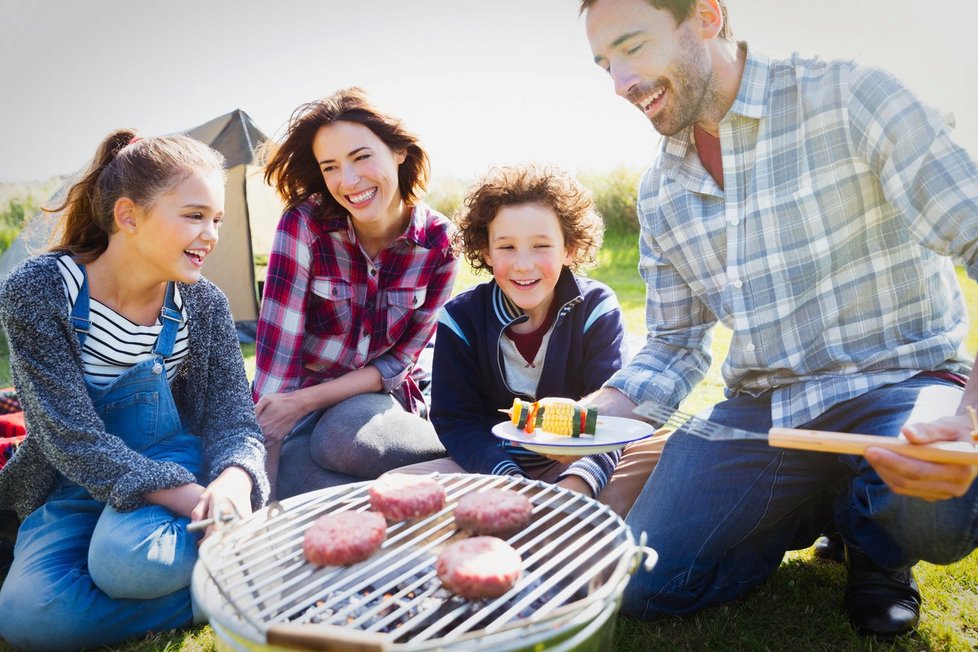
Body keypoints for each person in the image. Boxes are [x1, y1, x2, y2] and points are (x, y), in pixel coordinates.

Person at [580, 0, 978, 639]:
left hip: (902, 383)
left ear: (707, 16)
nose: (620, 83)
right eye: (604, 64)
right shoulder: (660, 192)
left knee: (940, 505)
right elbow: (675, 344)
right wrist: (587, 413)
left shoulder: (852, 94)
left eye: (632, 47)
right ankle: (831, 502)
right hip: (766, 414)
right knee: (645, 582)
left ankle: (877, 545)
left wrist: (969, 415)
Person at [0, 130, 269, 650]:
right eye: (194, 215)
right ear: (128, 216)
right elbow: (67, 437)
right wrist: (195, 502)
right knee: (25, 614)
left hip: (175, 461)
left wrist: (232, 484)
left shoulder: (203, 304)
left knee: (126, 565)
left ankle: (225, 558)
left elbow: (234, 421)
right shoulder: (40, 290)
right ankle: (227, 585)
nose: (211, 234)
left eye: (217, 219)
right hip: (76, 480)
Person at [391, 164, 663, 515]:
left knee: (665, 449)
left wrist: (576, 485)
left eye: (541, 245)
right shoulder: (461, 318)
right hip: (494, 468)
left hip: (582, 464)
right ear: (486, 252)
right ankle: (536, 517)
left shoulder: (596, 307)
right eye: (506, 247)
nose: (523, 264)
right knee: (394, 486)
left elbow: (610, 423)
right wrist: (510, 481)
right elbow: (456, 422)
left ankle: (569, 513)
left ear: (569, 248)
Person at [254, 88, 458, 500]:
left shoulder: (439, 244)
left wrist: (306, 401)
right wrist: (263, 499)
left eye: (362, 157)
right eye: (330, 167)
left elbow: (398, 362)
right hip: (301, 415)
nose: (348, 182)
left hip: (374, 408)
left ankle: (459, 461)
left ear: (398, 151)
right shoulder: (304, 227)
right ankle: (415, 495)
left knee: (342, 435)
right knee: (291, 479)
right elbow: (276, 366)